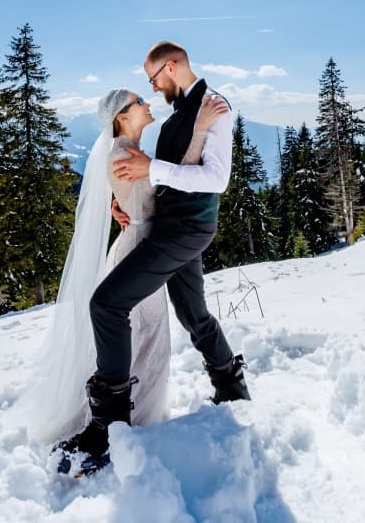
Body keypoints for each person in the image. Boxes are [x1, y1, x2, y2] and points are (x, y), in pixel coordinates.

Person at [56, 40, 252, 468]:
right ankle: (232, 388)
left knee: (107, 304)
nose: (151, 89)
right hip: (167, 226)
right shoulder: (181, 113)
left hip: (184, 230)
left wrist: (150, 171)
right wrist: (125, 202)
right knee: (192, 313)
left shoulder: (214, 106)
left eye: (151, 79)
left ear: (170, 67)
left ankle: (108, 426)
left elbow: (216, 179)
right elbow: (157, 177)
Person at [22, 83, 229, 450]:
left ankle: (128, 419)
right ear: (122, 117)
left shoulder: (128, 151)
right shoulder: (123, 154)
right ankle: (122, 423)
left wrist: (123, 207)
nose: (147, 104)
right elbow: (172, 186)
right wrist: (199, 131)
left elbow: (140, 193)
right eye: (139, 102)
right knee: (144, 334)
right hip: (139, 248)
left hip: (144, 243)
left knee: (146, 335)